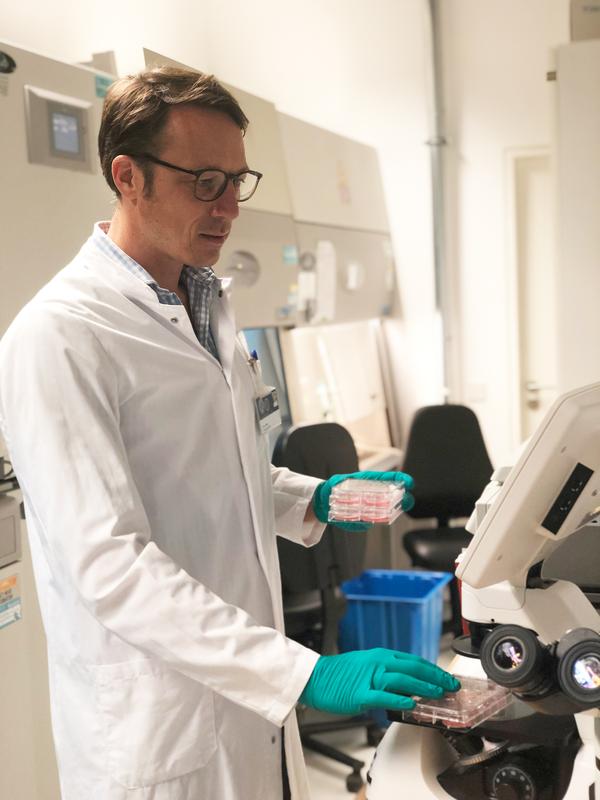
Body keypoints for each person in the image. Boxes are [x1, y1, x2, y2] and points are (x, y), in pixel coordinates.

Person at [0, 66, 459, 800]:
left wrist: (316, 499)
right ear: (129, 176)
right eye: (205, 180)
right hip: (161, 732)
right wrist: (300, 671)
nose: (228, 208)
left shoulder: (208, 302)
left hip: (248, 706)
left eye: (237, 182)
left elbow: (222, 469)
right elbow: (109, 564)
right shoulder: (60, 337)